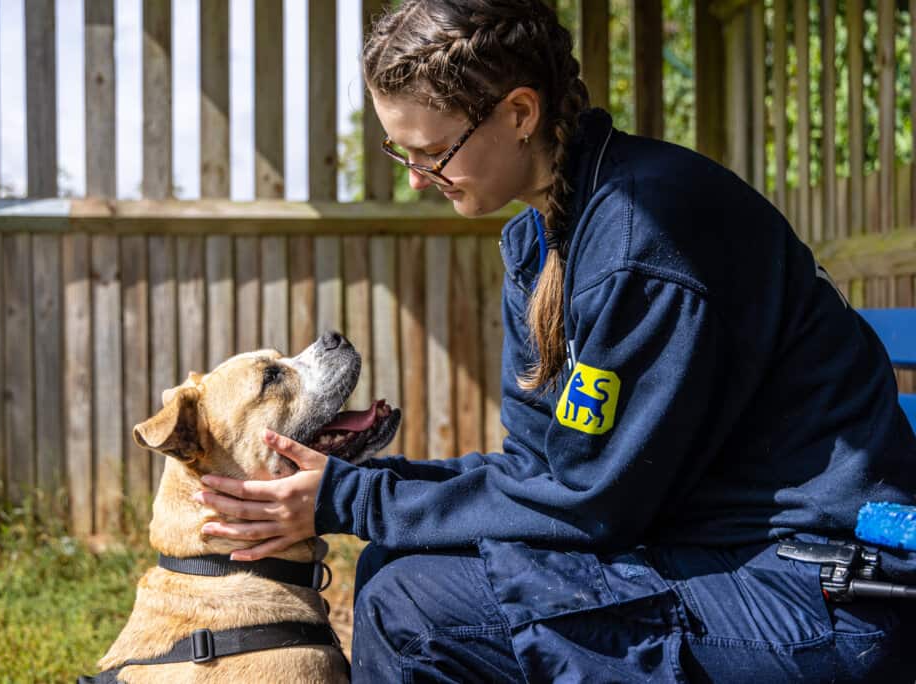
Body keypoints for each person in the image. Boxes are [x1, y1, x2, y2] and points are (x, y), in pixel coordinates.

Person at [192, 1, 916, 680]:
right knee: (394, 565)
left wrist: (353, 499)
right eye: (400, 152)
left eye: (434, 151)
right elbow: (541, 474)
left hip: (820, 594)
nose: (417, 180)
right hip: (717, 556)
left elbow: (592, 506)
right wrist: (363, 489)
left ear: (518, 113)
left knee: (410, 606)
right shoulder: (544, 244)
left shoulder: (646, 237)